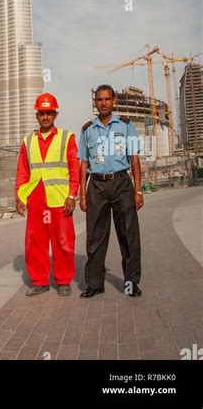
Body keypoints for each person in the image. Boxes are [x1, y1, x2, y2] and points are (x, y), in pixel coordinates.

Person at [79, 84, 143, 298]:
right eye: (99, 100)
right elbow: (83, 164)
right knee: (95, 237)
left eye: (107, 99)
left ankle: (131, 283)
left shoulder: (125, 125)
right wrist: (82, 194)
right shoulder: (87, 129)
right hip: (96, 186)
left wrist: (138, 190)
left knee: (128, 234)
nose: (103, 103)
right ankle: (95, 284)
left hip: (122, 183)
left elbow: (134, 157)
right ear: (95, 102)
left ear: (114, 100)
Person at [16, 93, 79, 296]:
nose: (45, 117)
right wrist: (20, 197)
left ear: (55, 114)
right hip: (36, 200)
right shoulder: (28, 141)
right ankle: (40, 281)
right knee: (35, 243)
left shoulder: (66, 138)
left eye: (49, 113)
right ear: (37, 115)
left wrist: (72, 195)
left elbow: (74, 169)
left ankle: (63, 281)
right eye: (42, 113)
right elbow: (23, 171)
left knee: (63, 241)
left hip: (60, 200)